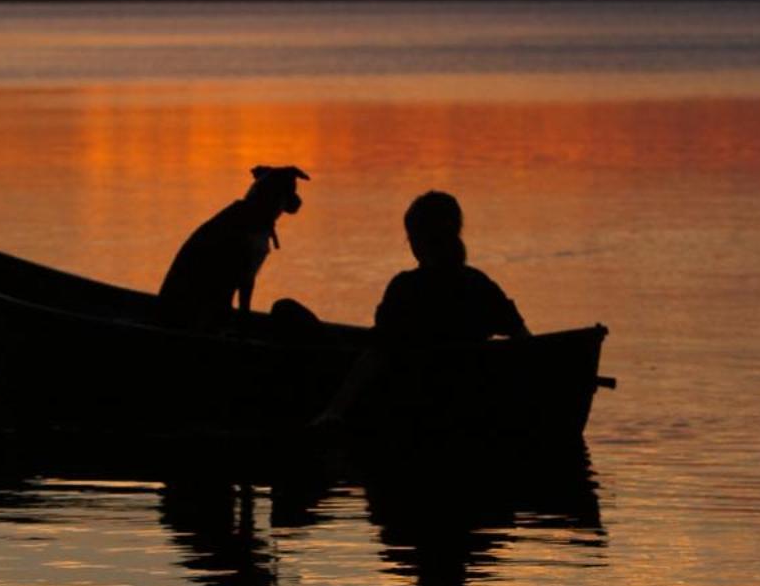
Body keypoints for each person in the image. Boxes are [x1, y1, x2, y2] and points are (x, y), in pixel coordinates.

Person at [314, 191, 525, 428]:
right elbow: (523, 339)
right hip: (470, 385)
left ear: (417, 241)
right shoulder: (480, 284)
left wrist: (335, 409)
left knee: (287, 311)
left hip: (414, 392)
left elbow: (377, 351)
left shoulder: (406, 287)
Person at [157, 165, 309, 331]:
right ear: (272, 195)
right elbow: (238, 281)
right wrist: (242, 323)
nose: (296, 200)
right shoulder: (246, 228)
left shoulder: (239, 218)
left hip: (182, 308)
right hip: (189, 314)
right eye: (288, 194)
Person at [374, 191, 527, 344]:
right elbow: (524, 339)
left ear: (416, 244)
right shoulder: (480, 286)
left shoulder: (403, 288)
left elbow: (379, 343)